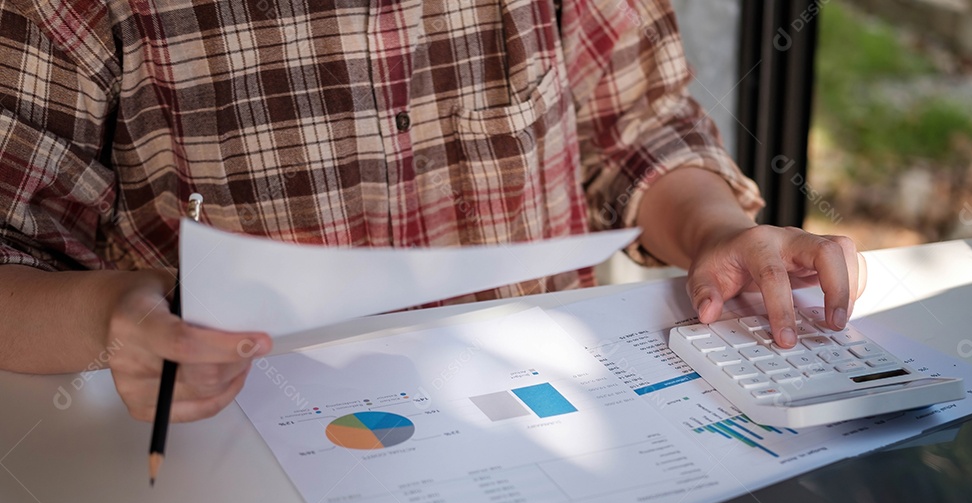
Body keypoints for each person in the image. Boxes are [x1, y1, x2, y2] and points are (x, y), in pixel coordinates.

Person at [0, 0, 863, 423]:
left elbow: (634, 130)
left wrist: (719, 232)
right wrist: (109, 317)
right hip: (240, 467)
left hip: (537, 426)